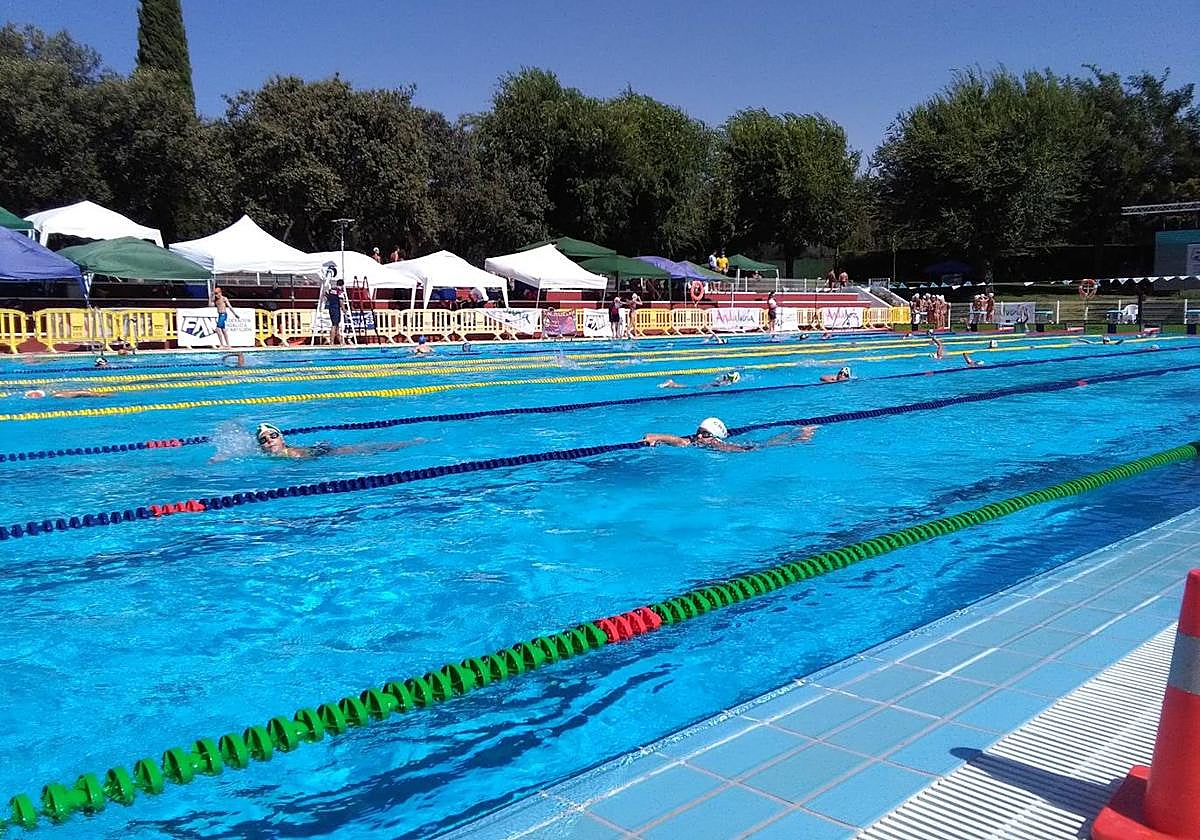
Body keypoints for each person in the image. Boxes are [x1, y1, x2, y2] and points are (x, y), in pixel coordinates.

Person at [253, 422, 422, 460]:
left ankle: (409, 443)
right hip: (319, 450)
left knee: (368, 449)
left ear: (282, 439)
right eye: (264, 440)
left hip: (327, 453)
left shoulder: (294, 454)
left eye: (273, 435)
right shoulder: (267, 457)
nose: (269, 440)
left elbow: (311, 457)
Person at [642, 417, 816, 453]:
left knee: (769, 444)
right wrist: (656, 436)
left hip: (747, 448)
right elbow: (680, 441)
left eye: (705, 434)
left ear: (715, 437)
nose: (699, 437)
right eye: (698, 433)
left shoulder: (717, 445)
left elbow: (744, 450)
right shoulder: (699, 442)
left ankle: (803, 435)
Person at [658, 370, 741, 389]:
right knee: (687, 387)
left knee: (688, 386)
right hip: (707, 385)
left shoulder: (723, 380)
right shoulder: (725, 383)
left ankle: (671, 383)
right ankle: (671, 383)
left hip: (709, 384)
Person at [325, 279, 345, 345]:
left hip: (331, 307)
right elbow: (341, 301)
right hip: (336, 308)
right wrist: (343, 309)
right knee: (334, 325)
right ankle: (332, 342)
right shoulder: (340, 291)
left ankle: (341, 342)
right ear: (342, 285)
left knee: (337, 325)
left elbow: (327, 295)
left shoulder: (331, 290)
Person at [24, 388, 110, 399]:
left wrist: (99, 395)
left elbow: (80, 392)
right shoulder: (54, 395)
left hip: (85, 394)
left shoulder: (57, 395)